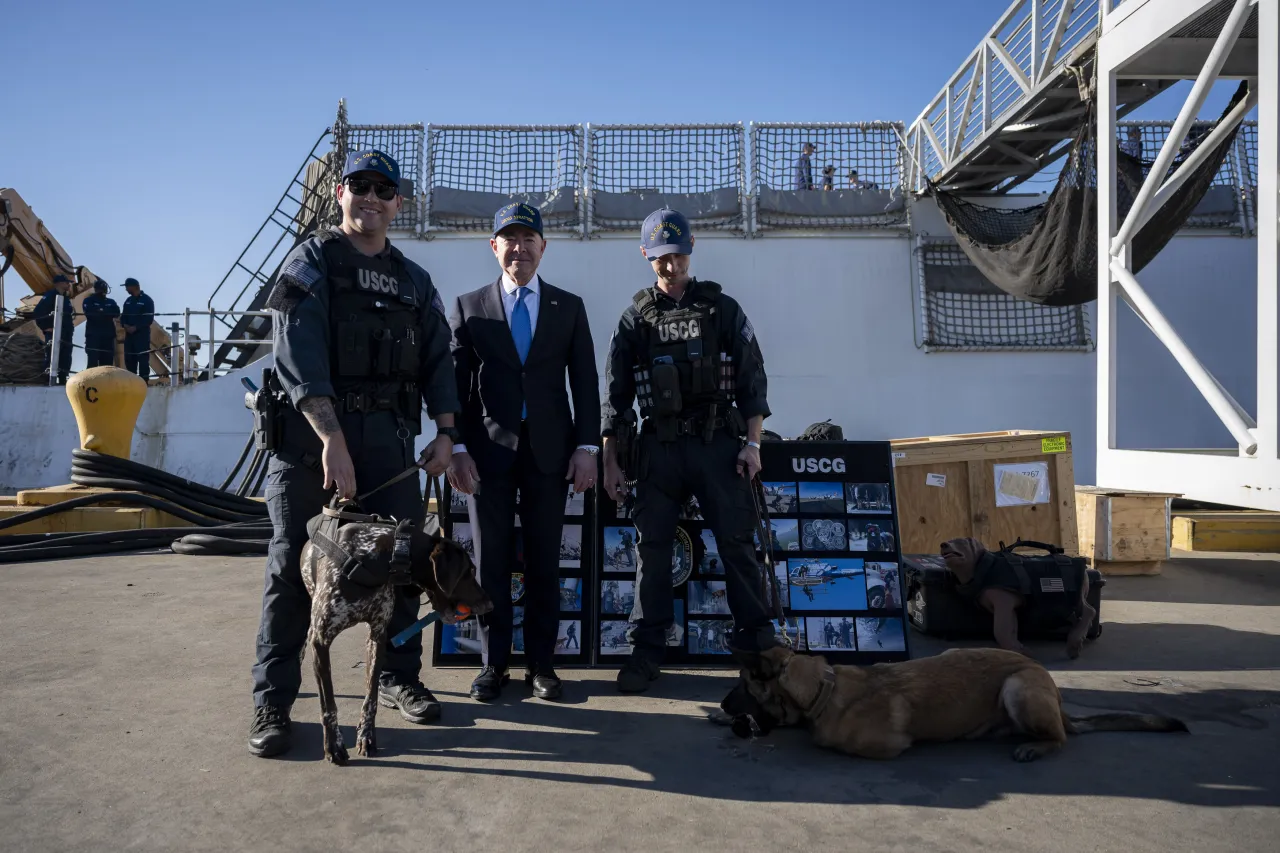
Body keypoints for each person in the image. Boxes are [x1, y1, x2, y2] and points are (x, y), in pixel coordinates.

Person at [247, 149, 461, 758]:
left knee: (401, 566)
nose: (372, 197)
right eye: (360, 186)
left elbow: (439, 360)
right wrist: (331, 439)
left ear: (399, 202)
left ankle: (397, 677)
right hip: (311, 442)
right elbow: (297, 353)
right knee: (293, 568)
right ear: (341, 193)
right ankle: (274, 700)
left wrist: (445, 432)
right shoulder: (310, 261)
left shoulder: (416, 282)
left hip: (389, 444)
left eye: (384, 190)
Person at [600, 207, 778, 693]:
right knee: (652, 549)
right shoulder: (635, 318)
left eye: (677, 254)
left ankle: (758, 646)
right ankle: (647, 649)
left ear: (691, 247)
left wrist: (753, 445)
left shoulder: (723, 309)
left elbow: (752, 382)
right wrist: (612, 461)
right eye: (660, 257)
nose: (670, 266)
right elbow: (615, 401)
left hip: (718, 444)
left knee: (739, 545)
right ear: (645, 255)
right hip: (658, 448)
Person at [447, 202, 600, 703]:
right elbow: (457, 388)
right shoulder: (469, 307)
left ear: (543, 247)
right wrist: (459, 448)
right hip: (487, 458)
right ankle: (493, 666)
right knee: (490, 565)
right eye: (509, 239)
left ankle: (542, 665)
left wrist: (586, 448)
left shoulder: (568, 307)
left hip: (550, 457)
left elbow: (585, 383)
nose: (519, 247)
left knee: (543, 565)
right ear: (494, 248)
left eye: (528, 238)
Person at [32, 274, 75, 384]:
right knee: (51, 356)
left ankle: (62, 378)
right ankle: (47, 380)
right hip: (54, 333)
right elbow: (38, 312)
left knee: (66, 356)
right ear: (59, 283)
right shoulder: (50, 296)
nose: (68, 284)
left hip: (66, 333)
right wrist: (45, 327)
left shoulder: (65, 298)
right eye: (66, 282)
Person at [121, 278, 155, 380]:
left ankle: (144, 382)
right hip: (129, 337)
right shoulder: (128, 301)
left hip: (142, 336)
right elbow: (123, 316)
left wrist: (136, 327)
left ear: (135, 287)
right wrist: (126, 326)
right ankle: (131, 382)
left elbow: (148, 319)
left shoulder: (147, 300)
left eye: (128, 286)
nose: (126, 289)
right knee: (129, 359)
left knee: (143, 360)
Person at [81, 280, 121, 368]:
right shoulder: (88, 300)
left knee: (107, 363)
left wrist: (101, 311)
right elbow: (91, 315)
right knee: (92, 362)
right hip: (93, 336)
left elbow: (117, 312)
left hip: (108, 336)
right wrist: (107, 313)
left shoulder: (111, 302)